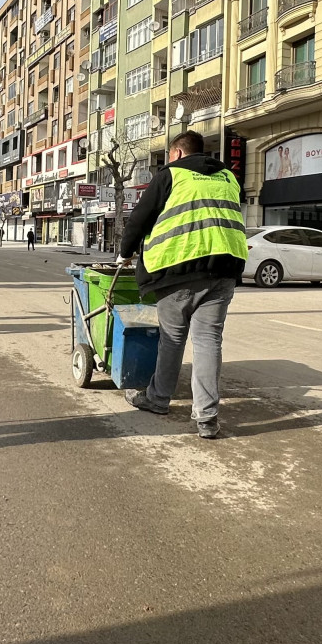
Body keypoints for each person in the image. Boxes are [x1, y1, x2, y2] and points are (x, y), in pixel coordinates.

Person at [117, 130, 248, 439]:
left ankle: (158, 399)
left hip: (179, 267)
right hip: (224, 268)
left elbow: (140, 218)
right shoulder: (229, 178)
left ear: (176, 153)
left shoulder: (171, 174)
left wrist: (125, 252)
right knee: (208, 341)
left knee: (172, 339)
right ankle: (207, 418)